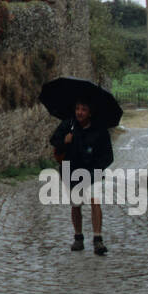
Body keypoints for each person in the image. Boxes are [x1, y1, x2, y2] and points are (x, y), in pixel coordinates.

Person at [49, 98, 114, 255]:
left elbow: (108, 156)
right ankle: (78, 237)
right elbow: (54, 140)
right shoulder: (68, 125)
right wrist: (64, 141)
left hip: (92, 173)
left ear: (90, 113)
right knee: (76, 204)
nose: (79, 112)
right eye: (78, 108)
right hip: (71, 171)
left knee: (95, 202)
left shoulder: (99, 130)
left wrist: (97, 170)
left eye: (83, 109)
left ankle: (98, 239)